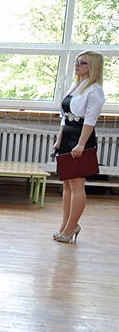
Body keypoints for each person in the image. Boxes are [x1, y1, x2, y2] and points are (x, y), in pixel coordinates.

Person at [52, 51, 106, 243]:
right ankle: (67, 225)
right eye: (76, 62)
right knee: (67, 184)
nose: (77, 65)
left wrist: (81, 144)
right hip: (67, 137)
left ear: (92, 67)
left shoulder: (95, 90)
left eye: (82, 63)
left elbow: (90, 120)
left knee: (77, 185)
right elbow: (64, 116)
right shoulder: (75, 86)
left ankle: (71, 226)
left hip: (81, 138)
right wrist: (59, 139)